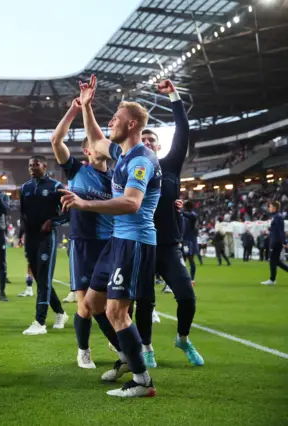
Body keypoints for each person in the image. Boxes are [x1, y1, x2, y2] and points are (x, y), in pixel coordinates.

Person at [61, 74, 159, 397]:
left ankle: (143, 381)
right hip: (118, 240)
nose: (110, 122)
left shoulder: (142, 159)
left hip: (135, 242)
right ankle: (126, 356)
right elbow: (97, 140)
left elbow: (132, 203)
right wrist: (86, 107)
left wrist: (85, 203)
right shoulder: (122, 154)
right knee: (91, 303)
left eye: (116, 119)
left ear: (132, 126)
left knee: (117, 311)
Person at [138, 79, 204, 369]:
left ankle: (183, 338)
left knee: (187, 297)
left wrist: (174, 96)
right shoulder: (130, 170)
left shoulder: (171, 165)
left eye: (151, 140)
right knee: (145, 302)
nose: (147, 143)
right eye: (143, 140)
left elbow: (184, 130)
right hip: (142, 243)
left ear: (159, 146)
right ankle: (147, 348)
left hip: (168, 246)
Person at [50, 95, 112, 367]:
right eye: (96, 144)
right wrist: (75, 110)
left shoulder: (118, 175)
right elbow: (56, 141)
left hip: (112, 243)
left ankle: (119, 339)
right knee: (85, 304)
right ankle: (83, 350)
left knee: (116, 303)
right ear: (88, 151)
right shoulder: (76, 170)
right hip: (84, 243)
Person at [18, 155, 69, 335]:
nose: (32, 167)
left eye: (36, 164)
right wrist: (21, 235)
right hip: (31, 239)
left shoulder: (56, 187)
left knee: (45, 277)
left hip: (47, 238)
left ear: (45, 166)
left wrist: (52, 222)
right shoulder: (25, 188)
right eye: (30, 165)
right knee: (40, 279)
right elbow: (22, 214)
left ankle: (40, 322)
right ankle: (61, 313)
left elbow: (69, 212)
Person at [261, 201, 288, 285]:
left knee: (273, 260)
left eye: (270, 206)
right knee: (276, 261)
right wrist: (268, 231)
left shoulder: (278, 217)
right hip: (274, 241)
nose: (269, 208)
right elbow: (275, 229)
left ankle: (272, 280)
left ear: (274, 208)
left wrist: (284, 241)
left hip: (276, 242)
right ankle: (272, 279)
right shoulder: (275, 216)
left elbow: (281, 231)